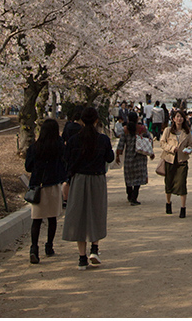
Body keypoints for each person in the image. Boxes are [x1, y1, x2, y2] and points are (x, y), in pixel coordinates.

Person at [62, 106, 114, 269]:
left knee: (79, 215)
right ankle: (95, 249)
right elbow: (110, 158)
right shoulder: (103, 140)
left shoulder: (73, 141)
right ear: (97, 120)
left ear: (82, 121)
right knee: (96, 213)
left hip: (79, 179)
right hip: (97, 179)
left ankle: (82, 257)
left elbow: (67, 160)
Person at [25, 118, 67, 264]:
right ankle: (49, 246)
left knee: (36, 220)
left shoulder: (35, 147)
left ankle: (34, 248)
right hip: (53, 185)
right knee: (52, 218)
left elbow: (28, 167)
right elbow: (64, 163)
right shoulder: (59, 146)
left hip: (38, 186)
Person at [115, 111, 154, 205]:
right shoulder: (142, 129)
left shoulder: (125, 130)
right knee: (138, 178)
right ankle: (134, 197)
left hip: (129, 157)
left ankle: (129, 194)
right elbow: (150, 140)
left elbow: (121, 144)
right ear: (137, 119)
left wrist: (118, 155)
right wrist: (151, 152)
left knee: (128, 177)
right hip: (140, 157)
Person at [160, 109, 192, 217]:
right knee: (168, 182)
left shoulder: (186, 132)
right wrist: (171, 148)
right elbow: (162, 143)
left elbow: (191, 145)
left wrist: (188, 150)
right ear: (173, 119)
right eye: (177, 117)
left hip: (182, 160)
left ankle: (183, 208)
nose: (179, 119)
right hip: (169, 159)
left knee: (182, 183)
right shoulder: (168, 131)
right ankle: (168, 203)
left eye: (181, 117)